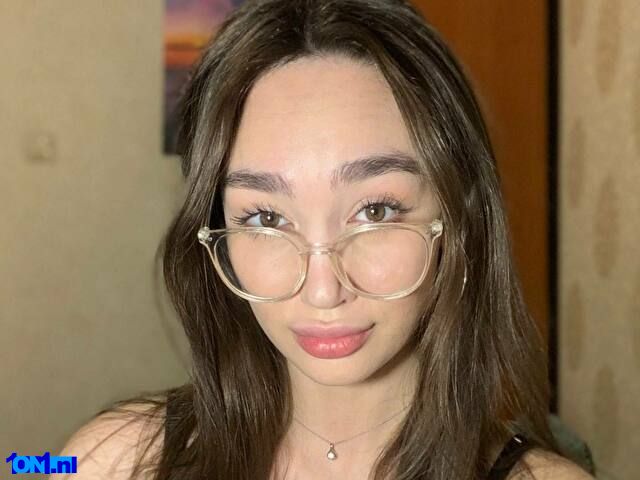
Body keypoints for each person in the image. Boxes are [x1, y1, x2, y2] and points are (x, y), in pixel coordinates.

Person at [54, 0, 596, 479]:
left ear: (460, 218)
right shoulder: (111, 461)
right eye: (266, 218)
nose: (322, 290)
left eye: (375, 211)